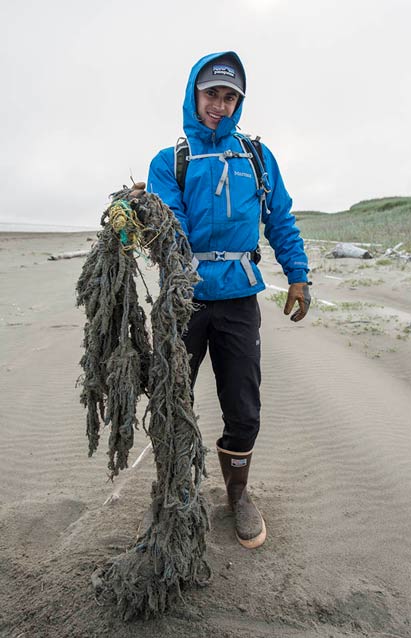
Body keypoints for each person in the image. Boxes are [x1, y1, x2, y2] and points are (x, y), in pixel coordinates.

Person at [147, 51, 310, 549]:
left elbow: (279, 218)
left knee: (243, 410)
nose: (219, 104)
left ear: (239, 102)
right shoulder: (170, 161)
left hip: (240, 299)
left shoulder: (257, 157)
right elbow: (169, 231)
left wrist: (298, 275)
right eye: (211, 94)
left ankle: (237, 496)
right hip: (184, 302)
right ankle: (173, 495)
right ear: (194, 94)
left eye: (229, 96)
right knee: (171, 401)